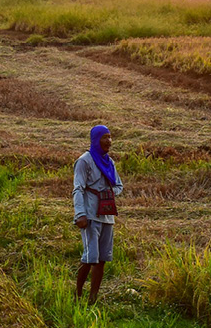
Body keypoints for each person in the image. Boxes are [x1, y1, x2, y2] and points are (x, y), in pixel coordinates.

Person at [73, 125, 123, 304]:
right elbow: (78, 188)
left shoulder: (109, 162)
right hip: (90, 215)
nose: (109, 141)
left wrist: (108, 194)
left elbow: (118, 185)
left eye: (110, 137)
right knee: (90, 257)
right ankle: (77, 293)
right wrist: (80, 214)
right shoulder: (84, 161)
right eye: (105, 137)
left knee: (102, 258)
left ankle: (92, 298)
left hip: (107, 215)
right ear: (96, 140)